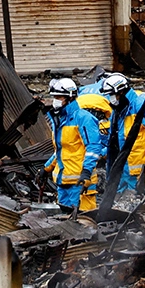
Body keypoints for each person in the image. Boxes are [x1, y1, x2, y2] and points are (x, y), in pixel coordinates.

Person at [43, 78, 104, 214]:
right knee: (64, 223)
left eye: (59, 97)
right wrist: (46, 169)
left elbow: (93, 148)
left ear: (69, 97)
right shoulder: (59, 120)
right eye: (54, 97)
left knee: (84, 222)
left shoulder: (84, 118)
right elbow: (61, 150)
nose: (55, 100)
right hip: (63, 182)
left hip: (80, 182)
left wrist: (86, 172)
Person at [101, 73, 145, 192]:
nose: (110, 98)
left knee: (143, 202)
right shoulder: (118, 112)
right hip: (124, 167)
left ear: (120, 92)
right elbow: (115, 139)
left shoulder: (141, 105)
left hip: (141, 168)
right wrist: (103, 153)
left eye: (111, 94)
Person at [75, 94, 112, 212]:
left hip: (100, 160)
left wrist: (103, 152)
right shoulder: (81, 122)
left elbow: (114, 142)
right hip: (86, 163)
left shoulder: (106, 124)